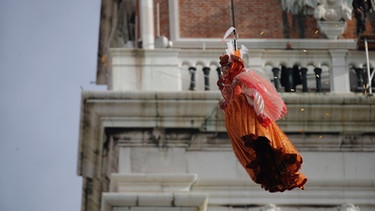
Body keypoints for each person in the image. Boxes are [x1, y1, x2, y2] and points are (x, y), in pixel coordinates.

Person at [217, 43, 307, 192]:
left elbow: (255, 94)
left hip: (246, 117)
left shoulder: (241, 78)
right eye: (223, 68)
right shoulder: (228, 84)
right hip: (235, 119)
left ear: (233, 66)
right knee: (253, 146)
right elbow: (229, 100)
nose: (224, 70)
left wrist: (261, 114)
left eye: (227, 67)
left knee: (259, 141)